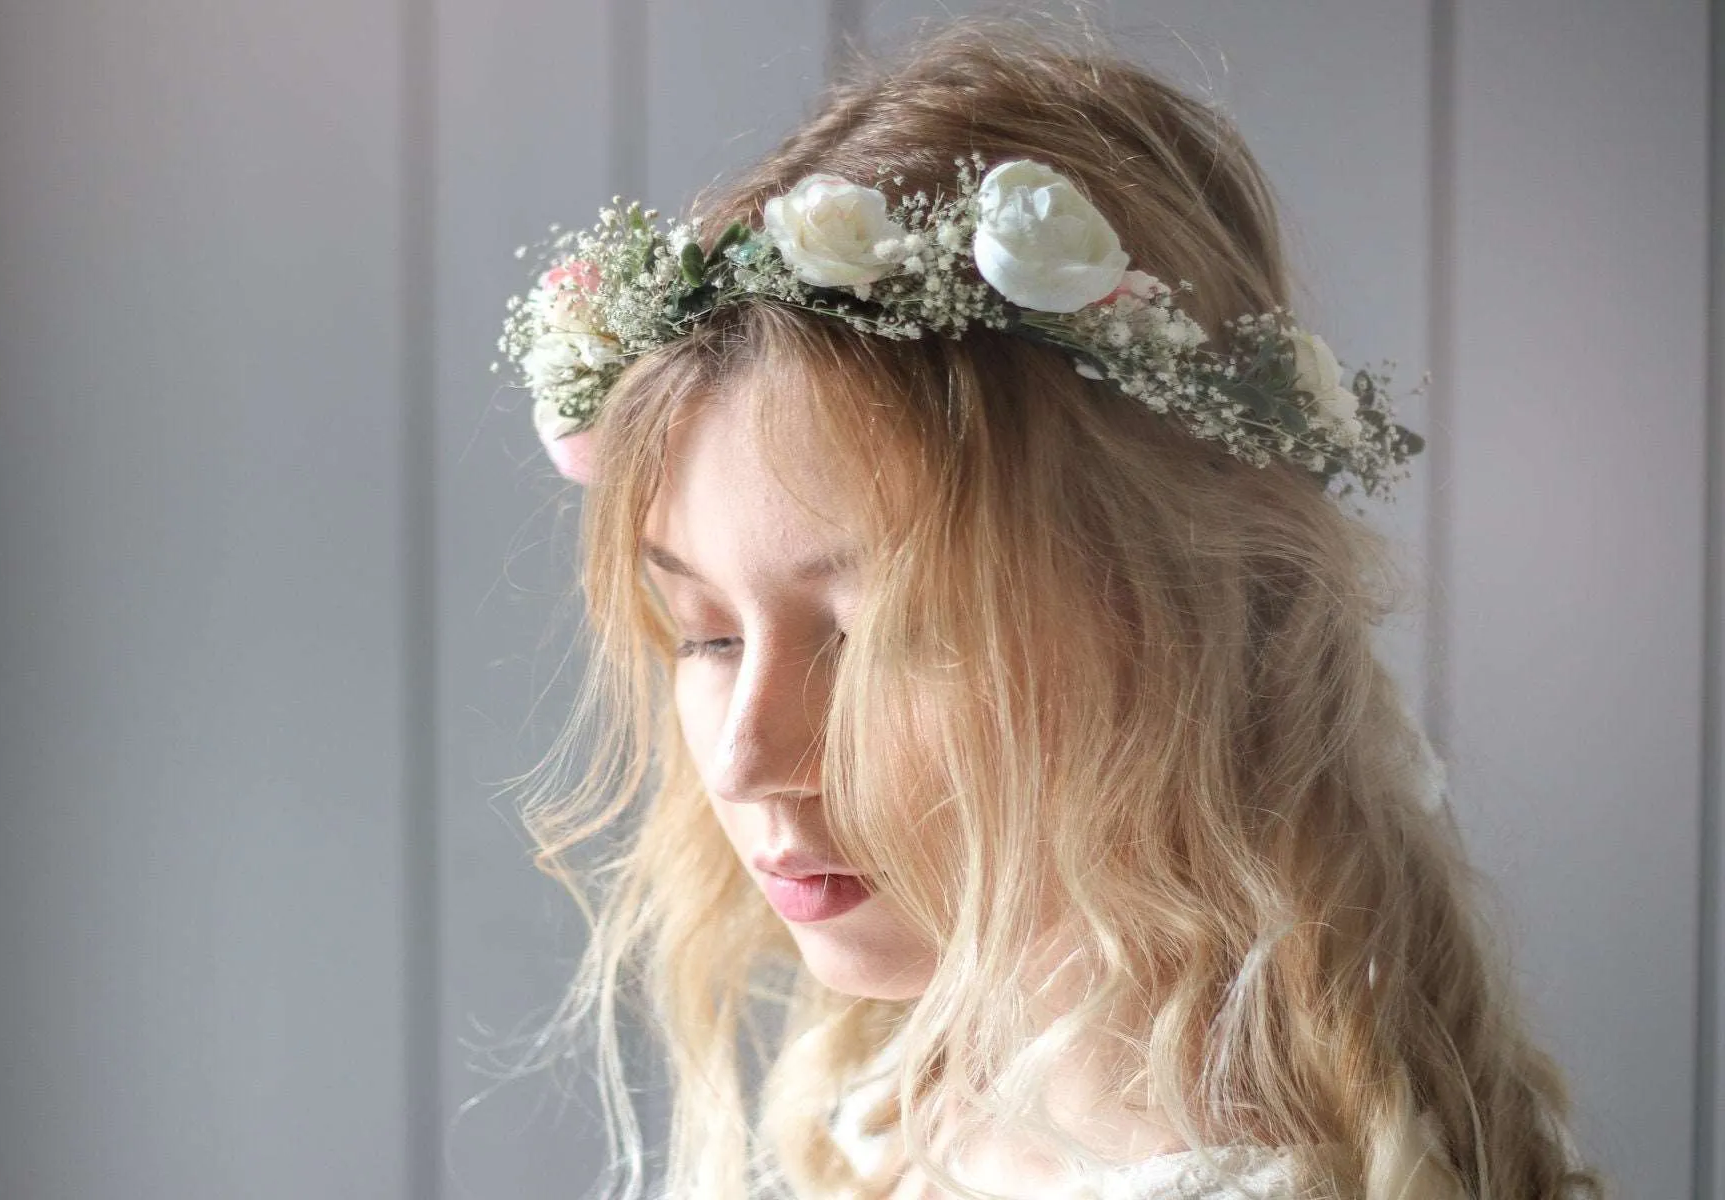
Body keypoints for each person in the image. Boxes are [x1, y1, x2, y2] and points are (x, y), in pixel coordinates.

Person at [496, 13, 1607, 1200]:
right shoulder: (910, 1100)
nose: (746, 758)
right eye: (707, 633)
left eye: (889, 637)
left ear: (1180, 619)